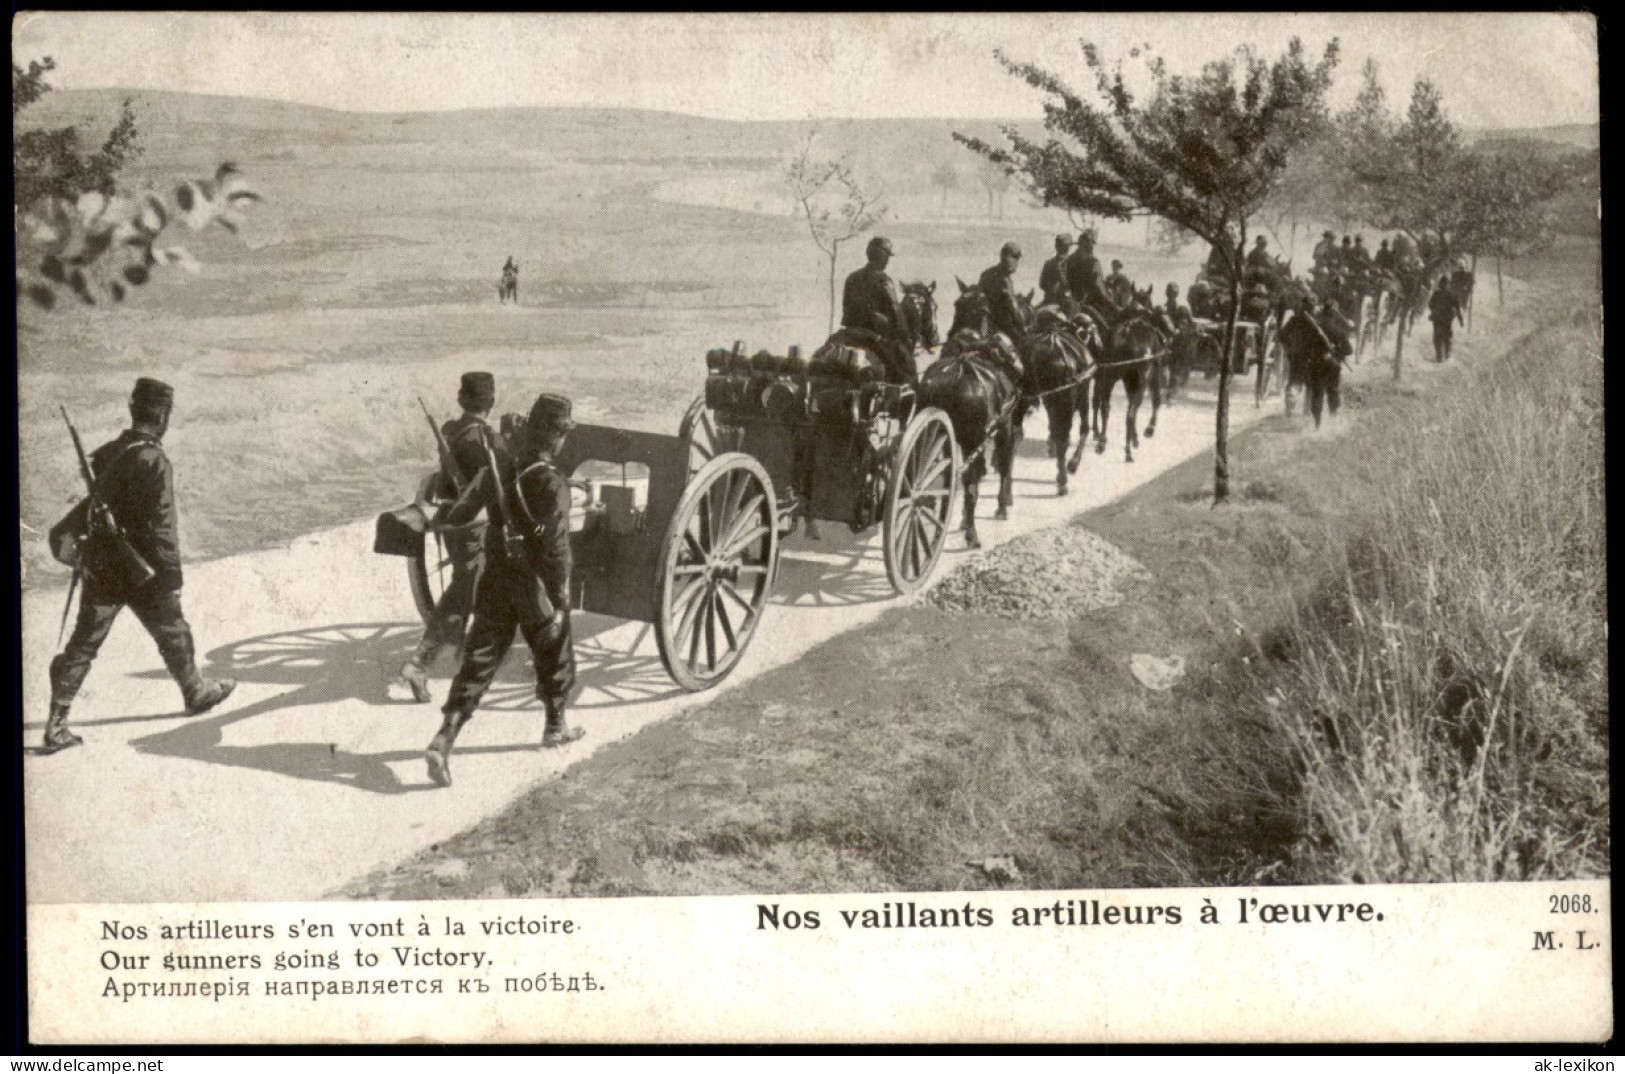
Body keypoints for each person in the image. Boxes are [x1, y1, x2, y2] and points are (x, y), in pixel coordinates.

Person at [42, 378, 236, 753]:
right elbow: (163, 527)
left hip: (105, 566)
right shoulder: (155, 460)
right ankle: (194, 690)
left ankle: (56, 724)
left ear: (134, 410)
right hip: (143, 570)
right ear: (163, 415)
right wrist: (172, 576)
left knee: (84, 643)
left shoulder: (111, 452)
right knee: (173, 631)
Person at [425, 392, 584, 787]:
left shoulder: (497, 465)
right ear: (556, 438)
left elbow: (460, 514)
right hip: (531, 584)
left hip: (494, 577)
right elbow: (557, 547)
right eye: (562, 434)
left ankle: (444, 738)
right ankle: (555, 725)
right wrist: (561, 597)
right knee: (555, 644)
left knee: (479, 657)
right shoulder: (552, 484)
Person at [394, 372, 502, 703]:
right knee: (460, 597)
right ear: (491, 403)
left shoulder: (453, 432)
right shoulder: (483, 439)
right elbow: (501, 483)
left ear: (461, 401)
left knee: (465, 591)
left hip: (452, 524)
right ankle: (419, 664)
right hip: (475, 528)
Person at [840, 235, 914, 385]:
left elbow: (846, 311)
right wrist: (905, 336)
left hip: (848, 333)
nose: (887, 260)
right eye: (887, 255)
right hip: (872, 338)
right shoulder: (884, 280)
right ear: (883, 256)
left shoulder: (851, 277)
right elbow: (897, 314)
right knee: (906, 374)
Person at [1063, 231, 1109, 315]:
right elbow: (1100, 287)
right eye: (1091, 244)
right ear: (1088, 245)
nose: (1092, 246)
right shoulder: (1094, 262)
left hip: (1073, 302)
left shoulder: (1068, 260)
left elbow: (1065, 283)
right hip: (1091, 304)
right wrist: (1109, 300)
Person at [1428, 276, 1464, 362]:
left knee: (1437, 337)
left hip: (1438, 319)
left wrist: (1435, 310)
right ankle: (1446, 355)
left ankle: (1439, 355)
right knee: (1447, 337)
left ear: (1440, 284)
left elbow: (1430, 305)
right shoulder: (1452, 294)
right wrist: (1460, 319)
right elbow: (1458, 308)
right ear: (1448, 285)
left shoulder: (1436, 294)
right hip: (1447, 319)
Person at [1037, 233, 1072, 308]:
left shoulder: (1049, 263)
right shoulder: (1072, 263)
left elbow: (1042, 284)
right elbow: (1042, 284)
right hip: (1058, 303)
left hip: (1058, 302)